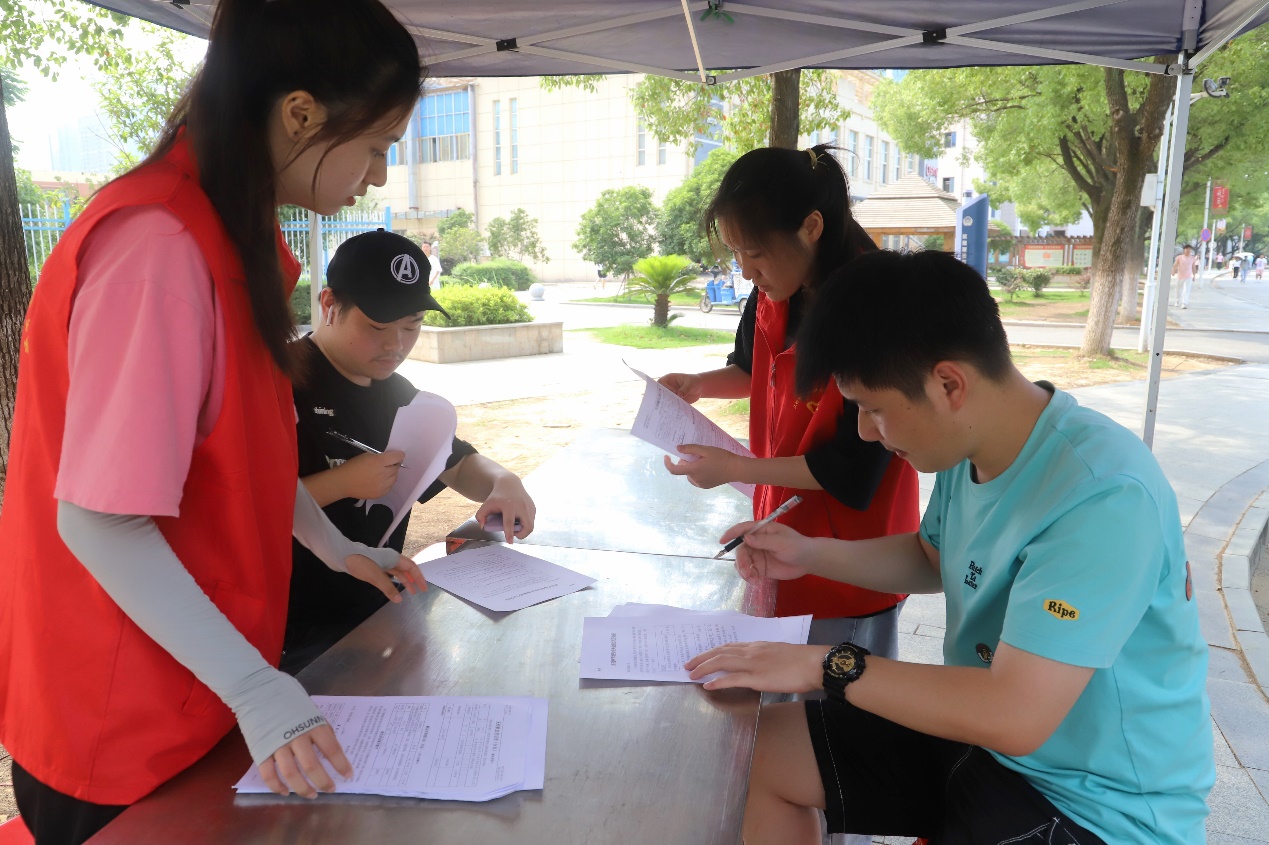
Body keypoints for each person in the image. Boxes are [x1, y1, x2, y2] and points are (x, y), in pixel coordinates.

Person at [0, 2, 430, 842]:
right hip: (118, 708)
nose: (377, 177)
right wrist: (260, 688)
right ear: (300, 113)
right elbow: (99, 518)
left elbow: (243, 453)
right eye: (376, 146)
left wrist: (332, 543)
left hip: (199, 679)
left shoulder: (231, 238)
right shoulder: (158, 245)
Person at [686, 249, 1213, 844]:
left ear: (948, 384)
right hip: (982, 744)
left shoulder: (1102, 495)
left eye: (872, 408)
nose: (863, 431)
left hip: (1092, 805)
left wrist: (826, 662)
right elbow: (932, 559)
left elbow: (1016, 714)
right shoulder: (973, 450)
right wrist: (807, 552)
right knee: (756, 752)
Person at [657, 145, 919, 662]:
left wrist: (736, 467)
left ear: (812, 226)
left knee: (843, 711)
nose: (746, 270)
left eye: (754, 252)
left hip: (855, 559)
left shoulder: (874, 307)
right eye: (736, 253)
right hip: (782, 536)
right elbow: (753, 369)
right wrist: (699, 384)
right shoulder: (774, 290)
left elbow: (850, 470)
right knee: (781, 693)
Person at [284, 229, 536, 673]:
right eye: (377, 327)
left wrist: (503, 481)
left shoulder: (396, 392)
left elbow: (456, 465)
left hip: (378, 615)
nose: (395, 346)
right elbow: (238, 506)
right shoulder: (280, 383)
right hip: (291, 631)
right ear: (329, 305)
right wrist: (341, 483)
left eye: (412, 326)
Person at [1171, 243, 1197, 308]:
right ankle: (1177, 301)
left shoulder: (1192, 258)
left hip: (1188, 277)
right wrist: (1173, 271)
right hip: (1180, 276)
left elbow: (1193, 267)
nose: (1188, 250)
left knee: (1186, 290)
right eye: (1187, 249)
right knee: (1178, 289)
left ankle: (1184, 303)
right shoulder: (1179, 257)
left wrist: (1194, 275)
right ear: (1184, 250)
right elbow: (1175, 265)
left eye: (1189, 249)